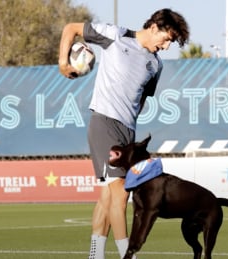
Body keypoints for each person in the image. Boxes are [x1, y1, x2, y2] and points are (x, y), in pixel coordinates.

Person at [58, 8, 189, 259]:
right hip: (104, 121)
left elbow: (140, 100)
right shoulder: (115, 36)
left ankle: (95, 255)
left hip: (127, 131)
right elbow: (71, 29)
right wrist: (63, 62)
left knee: (108, 195)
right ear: (154, 27)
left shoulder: (155, 64)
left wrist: (130, 129)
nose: (167, 46)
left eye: (171, 41)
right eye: (167, 38)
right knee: (120, 192)